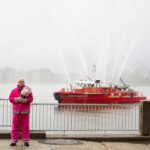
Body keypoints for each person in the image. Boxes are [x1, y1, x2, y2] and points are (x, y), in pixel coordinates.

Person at [9, 78, 33, 146]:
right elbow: (10, 98)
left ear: (24, 82)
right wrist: (17, 99)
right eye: (20, 81)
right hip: (16, 112)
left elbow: (31, 99)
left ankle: (26, 141)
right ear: (18, 82)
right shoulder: (13, 90)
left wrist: (24, 100)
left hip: (25, 112)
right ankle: (13, 141)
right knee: (14, 127)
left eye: (22, 81)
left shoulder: (28, 90)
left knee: (25, 127)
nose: (21, 83)